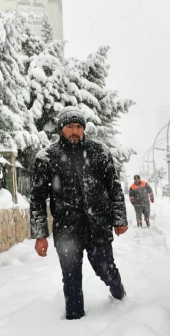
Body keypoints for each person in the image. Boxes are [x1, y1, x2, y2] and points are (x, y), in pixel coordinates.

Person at [30, 106, 128, 320]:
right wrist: (40, 235)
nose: (74, 131)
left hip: (98, 226)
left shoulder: (99, 151)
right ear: (60, 129)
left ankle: (121, 299)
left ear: (84, 129)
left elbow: (114, 187)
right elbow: (37, 198)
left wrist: (119, 218)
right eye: (69, 127)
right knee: (71, 278)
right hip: (67, 230)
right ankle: (74, 323)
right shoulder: (47, 157)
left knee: (106, 271)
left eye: (78, 127)